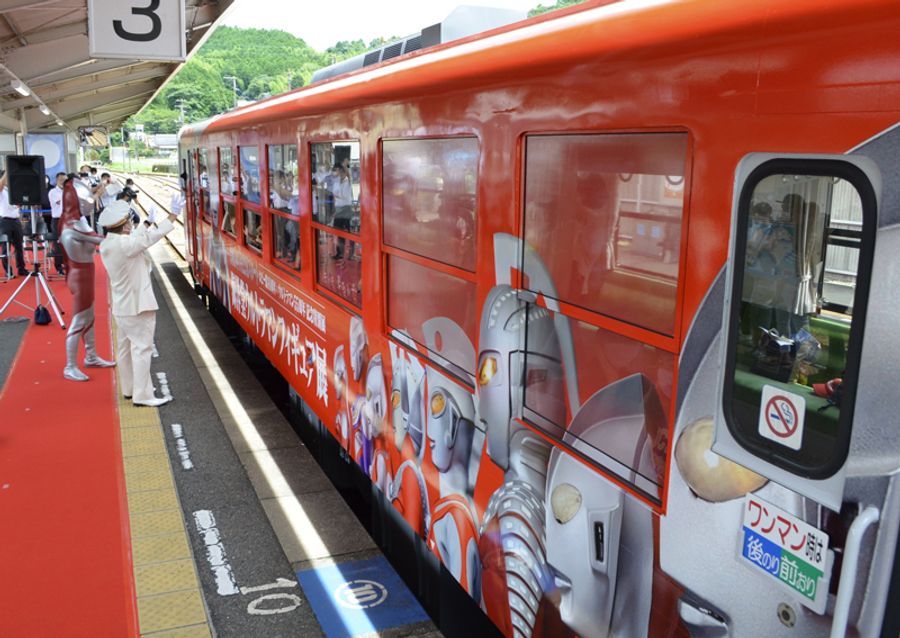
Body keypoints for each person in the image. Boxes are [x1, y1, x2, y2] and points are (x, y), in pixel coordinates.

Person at [98, 200, 178, 407]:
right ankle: (143, 396)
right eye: (130, 222)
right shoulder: (125, 245)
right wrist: (171, 217)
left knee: (125, 349)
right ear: (125, 224)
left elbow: (135, 240)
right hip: (137, 306)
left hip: (122, 306)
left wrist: (147, 223)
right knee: (142, 348)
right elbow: (146, 240)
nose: (132, 225)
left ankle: (130, 388)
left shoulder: (109, 242)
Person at [58, 180, 116, 381]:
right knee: (80, 319)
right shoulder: (75, 224)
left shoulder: (72, 220)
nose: (90, 203)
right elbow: (100, 239)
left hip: (84, 273)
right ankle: (70, 366)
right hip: (80, 275)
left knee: (89, 317)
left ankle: (91, 356)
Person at [0, 171, 27, 277]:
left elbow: (18, 207)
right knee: (5, 247)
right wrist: (7, 171)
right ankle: (8, 271)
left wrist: (20, 220)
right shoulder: (2, 190)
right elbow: (1, 184)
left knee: (19, 246)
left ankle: (21, 268)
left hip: (16, 220)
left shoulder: (14, 191)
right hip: (5, 221)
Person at [48, 171, 67, 275]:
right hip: (58, 220)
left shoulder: (69, 191)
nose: (63, 182)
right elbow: (60, 201)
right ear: (57, 180)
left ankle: (68, 264)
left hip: (68, 220)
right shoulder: (53, 192)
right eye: (61, 180)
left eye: (65, 180)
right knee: (58, 244)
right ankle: (59, 267)